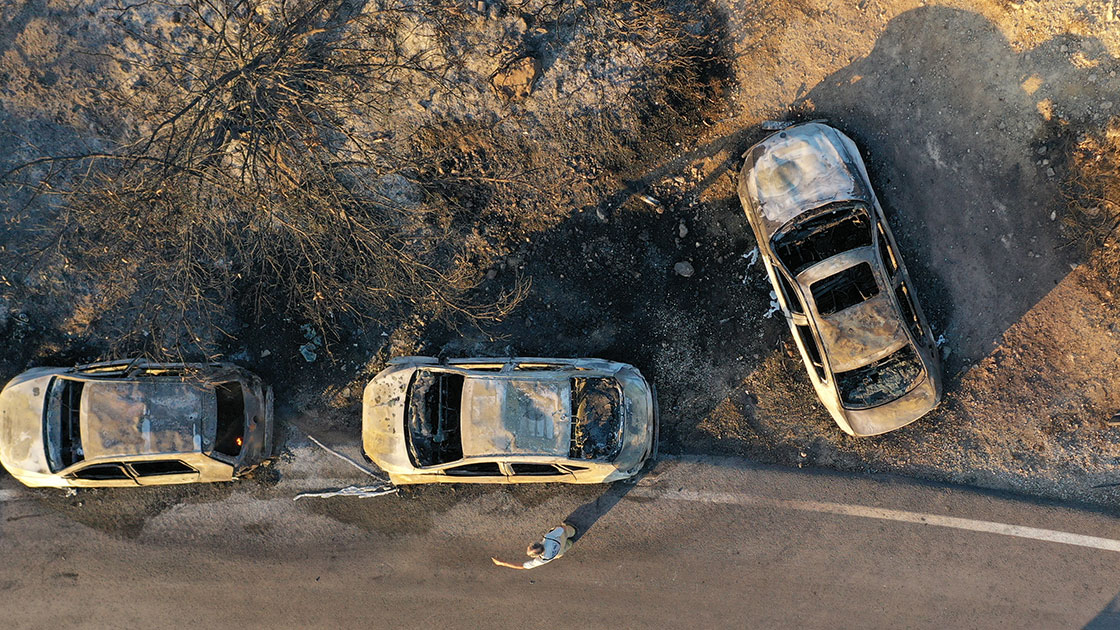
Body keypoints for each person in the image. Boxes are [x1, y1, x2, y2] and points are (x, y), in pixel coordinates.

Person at [492, 523, 577, 569]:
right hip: (559, 540)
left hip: (558, 552)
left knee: (567, 545)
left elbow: (522, 566)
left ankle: (570, 543)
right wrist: (561, 527)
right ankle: (573, 531)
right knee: (566, 530)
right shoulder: (549, 538)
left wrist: (502, 563)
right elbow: (561, 529)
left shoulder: (541, 560)